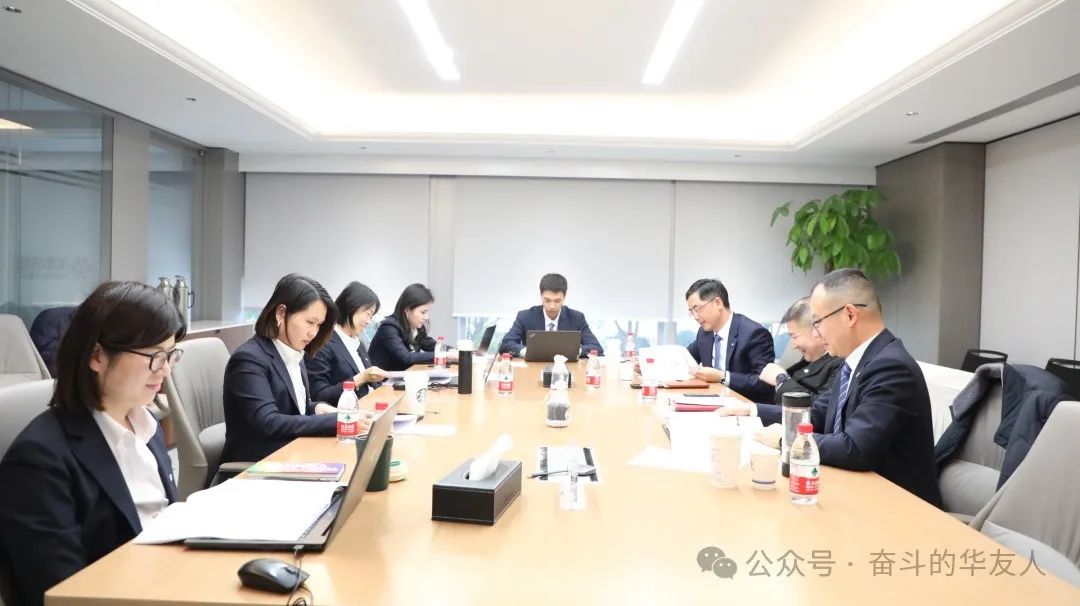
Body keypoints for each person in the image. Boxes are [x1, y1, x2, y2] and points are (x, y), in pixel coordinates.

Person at [0, 281, 183, 606]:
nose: (165, 370)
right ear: (97, 356)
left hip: (168, 583)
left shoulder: (146, 427)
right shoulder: (38, 460)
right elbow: (63, 592)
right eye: (155, 356)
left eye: (170, 355)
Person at [718, 269, 943, 507]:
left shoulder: (891, 367)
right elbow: (817, 413)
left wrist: (787, 439)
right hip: (856, 492)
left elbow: (855, 448)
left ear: (850, 315)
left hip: (898, 508)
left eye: (818, 322)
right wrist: (752, 410)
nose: (816, 332)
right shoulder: (856, 361)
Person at [220, 274, 371, 464]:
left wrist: (320, 408)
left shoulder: (294, 352)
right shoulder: (249, 359)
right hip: (257, 465)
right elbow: (269, 422)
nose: (313, 332)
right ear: (281, 313)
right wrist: (339, 420)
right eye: (309, 322)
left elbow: (297, 408)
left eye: (319, 325)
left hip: (292, 454)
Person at [684, 278, 775, 402]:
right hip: (712, 401)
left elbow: (764, 383)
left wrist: (722, 377)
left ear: (717, 303)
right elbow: (685, 358)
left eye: (697, 309)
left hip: (744, 406)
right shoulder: (705, 333)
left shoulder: (754, 333)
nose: (695, 316)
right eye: (692, 311)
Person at [306, 281, 388, 402]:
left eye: (371, 317)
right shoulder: (323, 343)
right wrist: (361, 378)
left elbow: (372, 385)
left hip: (372, 404)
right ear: (352, 307)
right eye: (368, 314)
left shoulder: (358, 343)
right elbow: (319, 395)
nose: (368, 321)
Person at [758, 297, 844, 404]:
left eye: (795, 337)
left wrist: (781, 380)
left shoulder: (841, 363)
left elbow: (820, 407)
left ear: (817, 329)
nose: (793, 346)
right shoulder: (810, 359)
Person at [498, 273, 604, 358]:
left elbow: (596, 348)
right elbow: (506, 344)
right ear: (541, 295)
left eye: (557, 301)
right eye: (547, 300)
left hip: (567, 369)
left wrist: (576, 351)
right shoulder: (525, 316)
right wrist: (526, 351)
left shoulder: (576, 318)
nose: (552, 306)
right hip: (533, 368)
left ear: (565, 297)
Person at [368, 283, 458, 371]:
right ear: (407, 309)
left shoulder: (415, 327)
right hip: (384, 380)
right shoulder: (389, 328)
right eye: (423, 312)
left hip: (404, 377)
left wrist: (455, 352)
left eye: (427, 312)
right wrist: (444, 355)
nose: (426, 317)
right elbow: (406, 357)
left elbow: (431, 345)